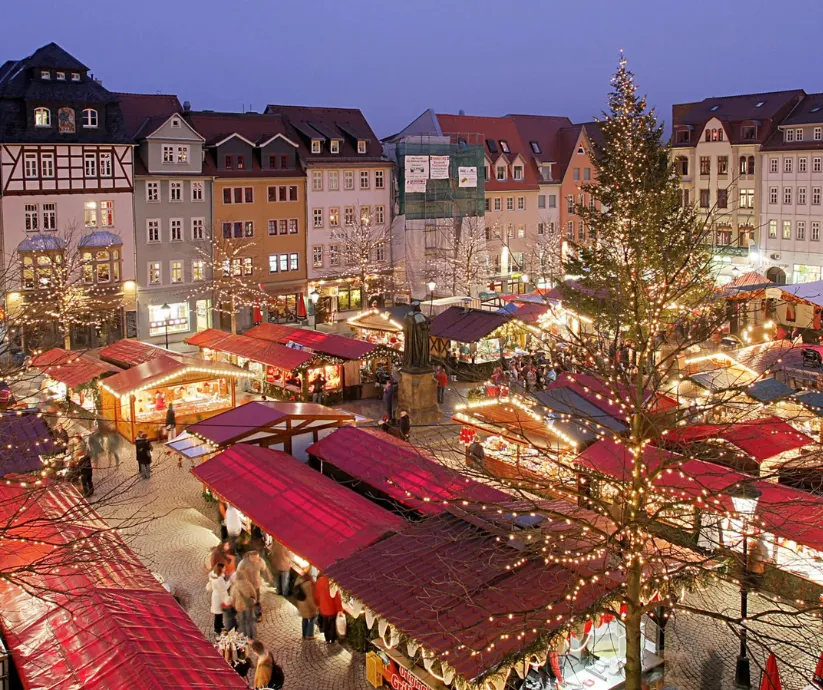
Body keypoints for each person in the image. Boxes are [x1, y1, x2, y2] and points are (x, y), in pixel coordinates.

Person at [314, 573, 343, 644]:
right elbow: (337, 599)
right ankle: (333, 639)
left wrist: (317, 604)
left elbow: (316, 594)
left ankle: (327, 638)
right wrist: (340, 609)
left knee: (325, 623)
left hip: (323, 608)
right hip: (332, 609)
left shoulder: (319, 581)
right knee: (333, 624)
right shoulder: (333, 584)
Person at [230, 569, 258, 640]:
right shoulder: (248, 584)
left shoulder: (234, 586)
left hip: (239, 607)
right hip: (248, 606)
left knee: (242, 622)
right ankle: (252, 636)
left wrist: (234, 605)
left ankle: (245, 636)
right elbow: (254, 594)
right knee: (250, 621)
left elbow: (232, 599)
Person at [293, 570, 318, 640]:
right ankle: (309, 635)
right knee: (314, 618)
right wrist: (315, 608)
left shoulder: (299, 579)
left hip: (301, 604)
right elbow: (310, 598)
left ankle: (304, 634)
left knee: (304, 619)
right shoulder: (308, 584)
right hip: (307, 605)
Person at [207, 562, 231, 635]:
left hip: (217, 595)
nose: (225, 569)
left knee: (219, 613)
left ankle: (220, 625)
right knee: (218, 614)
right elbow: (224, 588)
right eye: (224, 568)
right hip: (219, 597)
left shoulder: (214, 575)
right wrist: (230, 582)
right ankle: (217, 628)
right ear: (220, 569)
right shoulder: (219, 579)